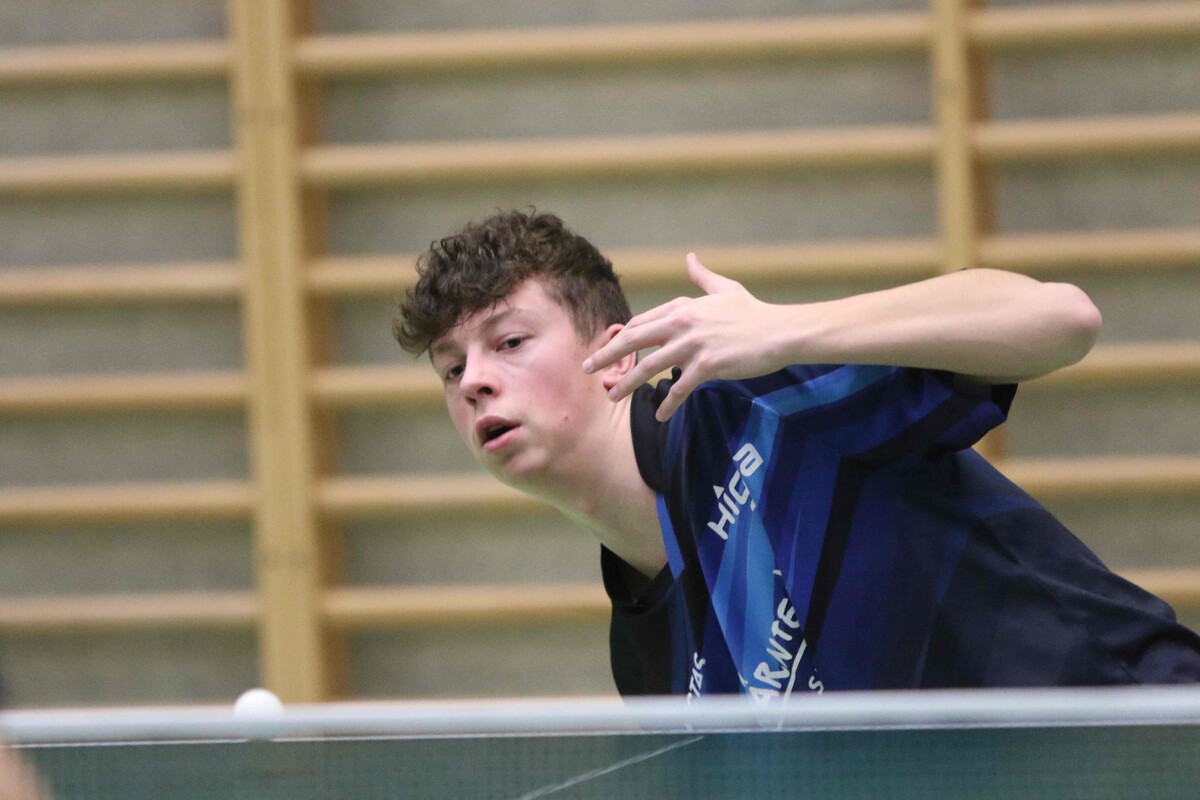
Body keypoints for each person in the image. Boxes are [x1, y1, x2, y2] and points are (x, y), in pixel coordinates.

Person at [393, 209, 1200, 700]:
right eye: (452, 369)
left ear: (618, 356)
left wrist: (786, 329)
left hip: (1144, 734)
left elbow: (1060, 319)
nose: (476, 382)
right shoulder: (646, 659)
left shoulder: (758, 404)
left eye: (509, 342)